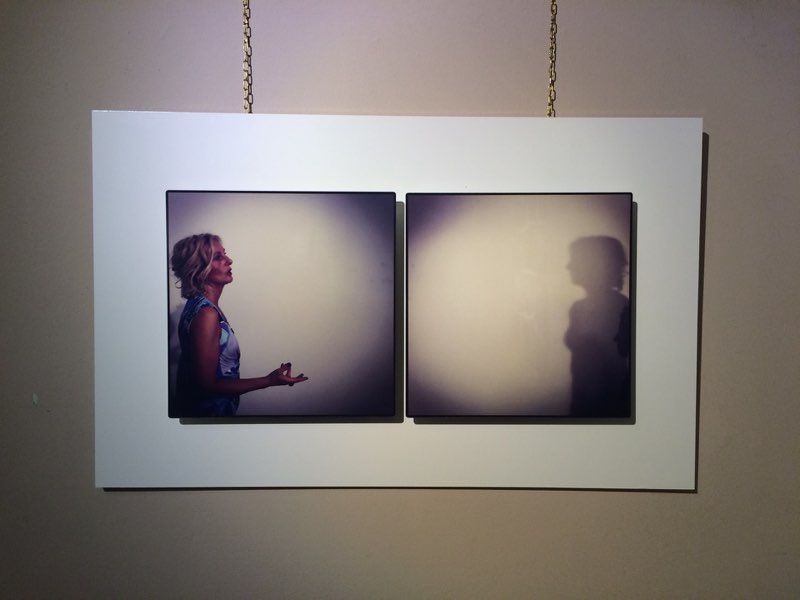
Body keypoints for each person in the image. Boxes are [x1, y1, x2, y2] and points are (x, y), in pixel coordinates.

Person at [169, 233, 307, 417]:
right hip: (210, 418)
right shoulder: (206, 314)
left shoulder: (199, 306)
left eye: (225, 254)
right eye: (218, 257)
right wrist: (270, 380)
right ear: (198, 269)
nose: (229, 260)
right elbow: (207, 385)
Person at [563, 236, 631, 418]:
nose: (568, 266)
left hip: (604, 408)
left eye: (575, 259)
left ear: (592, 264)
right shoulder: (580, 308)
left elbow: (611, 366)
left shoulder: (616, 308)